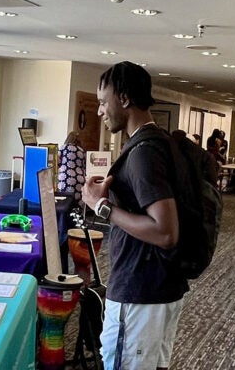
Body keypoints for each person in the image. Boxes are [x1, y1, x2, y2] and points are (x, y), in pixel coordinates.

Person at [82, 61, 188, 370]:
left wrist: (102, 207)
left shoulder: (144, 152)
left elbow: (166, 232)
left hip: (141, 290)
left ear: (125, 99)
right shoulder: (157, 143)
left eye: (103, 101)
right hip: (156, 286)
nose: (100, 110)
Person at [57, 131, 86, 208]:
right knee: (76, 204)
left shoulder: (63, 147)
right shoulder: (81, 150)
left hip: (65, 178)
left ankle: (64, 218)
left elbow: (57, 162)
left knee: (64, 203)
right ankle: (76, 218)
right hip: (79, 179)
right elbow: (84, 166)